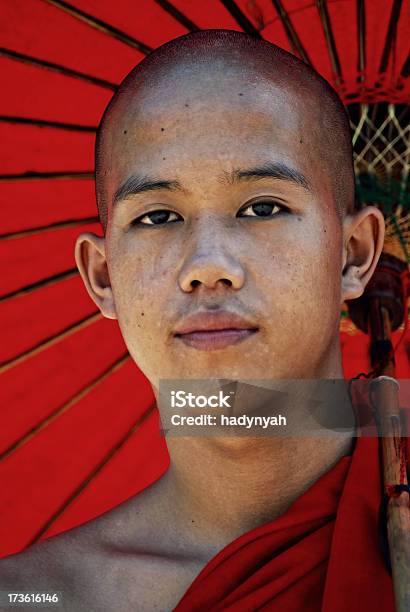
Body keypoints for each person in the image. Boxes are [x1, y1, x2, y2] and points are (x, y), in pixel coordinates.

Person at [0, 30, 393, 611]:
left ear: (354, 254)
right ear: (103, 276)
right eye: (157, 216)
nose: (207, 266)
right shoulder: (37, 597)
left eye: (263, 207)